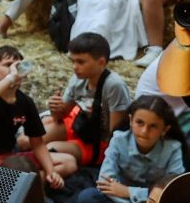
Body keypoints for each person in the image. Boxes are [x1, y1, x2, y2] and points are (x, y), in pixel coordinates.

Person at [51, 96, 186, 203]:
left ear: (164, 129)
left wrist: (128, 192)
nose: (144, 131)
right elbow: (106, 185)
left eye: (153, 126)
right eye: (139, 123)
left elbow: (172, 192)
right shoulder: (119, 140)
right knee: (87, 198)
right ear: (130, 121)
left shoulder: (173, 149)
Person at [0, 46, 68, 184]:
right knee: (9, 175)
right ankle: (23, 184)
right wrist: (10, 78)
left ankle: (25, 184)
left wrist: (51, 172)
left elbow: (37, 143)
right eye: (8, 65)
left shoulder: (25, 102)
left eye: (18, 66)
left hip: (9, 156)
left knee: (68, 162)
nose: (15, 70)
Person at [44, 32, 134, 175]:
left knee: (49, 149)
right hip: (81, 126)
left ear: (101, 63)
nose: (74, 67)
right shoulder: (78, 78)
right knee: (28, 139)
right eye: (72, 61)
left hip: (99, 142)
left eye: (80, 62)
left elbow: (116, 134)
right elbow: (60, 116)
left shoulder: (114, 86)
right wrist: (54, 108)